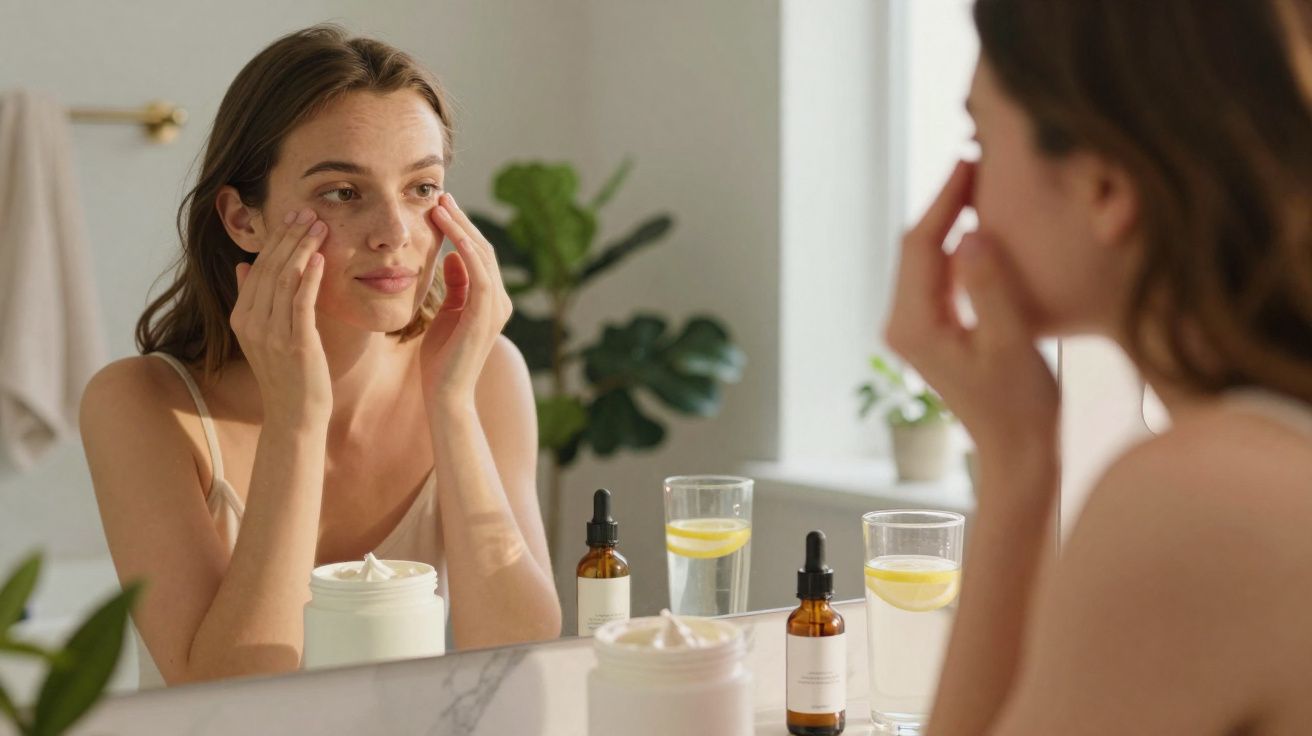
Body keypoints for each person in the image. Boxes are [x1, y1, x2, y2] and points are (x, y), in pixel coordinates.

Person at [80, 25, 561, 687]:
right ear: (243, 220)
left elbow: (519, 653)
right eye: (343, 192)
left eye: (422, 189)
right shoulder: (139, 405)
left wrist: (451, 405)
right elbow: (226, 693)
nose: (395, 234)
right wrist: (298, 420)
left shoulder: (485, 372)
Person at [885, 1, 1312, 732]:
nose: (964, 201)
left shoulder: (1198, 503)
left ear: (1104, 187)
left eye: (979, 141)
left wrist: (1016, 468)